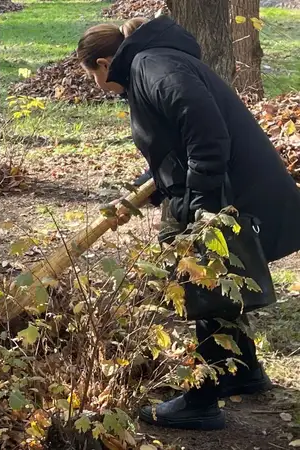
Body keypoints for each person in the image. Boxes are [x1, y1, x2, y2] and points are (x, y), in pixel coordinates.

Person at [77, 16, 300, 430]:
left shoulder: (150, 65)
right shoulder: (156, 61)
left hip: (229, 192)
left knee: (203, 287)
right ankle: (243, 372)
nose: (95, 85)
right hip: (228, 187)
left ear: (105, 63)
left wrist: (201, 206)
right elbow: (176, 151)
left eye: (91, 74)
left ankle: (201, 400)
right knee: (216, 285)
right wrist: (140, 191)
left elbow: (206, 131)